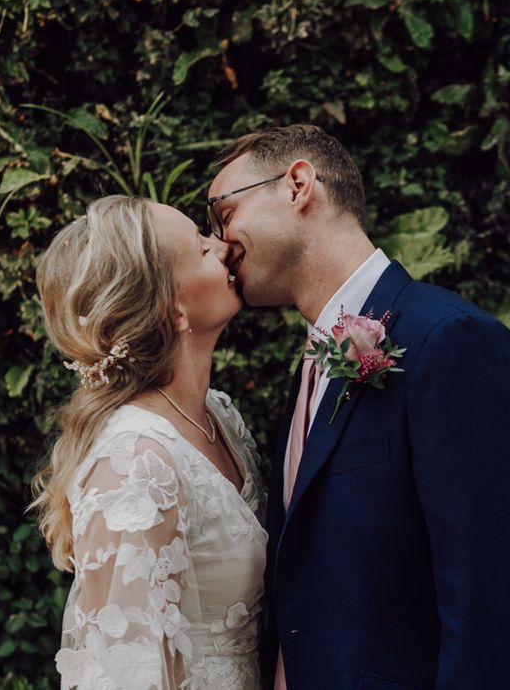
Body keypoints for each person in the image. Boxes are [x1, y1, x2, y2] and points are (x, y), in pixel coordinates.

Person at [207, 124, 510, 690]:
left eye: (223, 213)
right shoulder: (312, 362)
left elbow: (488, 591)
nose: (220, 244)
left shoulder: (449, 339)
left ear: (298, 184)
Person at [30, 195, 268, 689]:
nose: (222, 247)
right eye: (201, 248)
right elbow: (127, 671)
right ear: (172, 308)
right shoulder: (135, 460)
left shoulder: (218, 416)